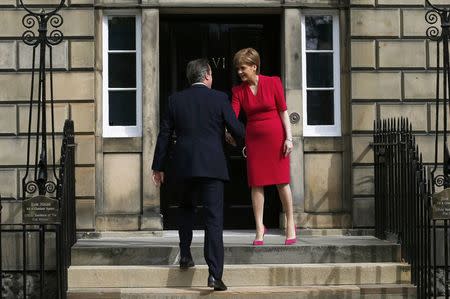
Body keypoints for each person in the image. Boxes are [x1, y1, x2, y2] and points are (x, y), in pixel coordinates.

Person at [152, 58, 245, 291]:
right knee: (213, 219)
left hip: (183, 166)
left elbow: (164, 135)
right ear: (207, 75)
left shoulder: (175, 100)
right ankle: (214, 275)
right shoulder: (220, 98)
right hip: (213, 166)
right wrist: (238, 137)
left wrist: (158, 167)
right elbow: (236, 129)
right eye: (211, 75)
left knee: (185, 210)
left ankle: (185, 255)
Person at [230, 48, 296, 246]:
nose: (239, 72)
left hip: (277, 139)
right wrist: (229, 132)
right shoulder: (238, 91)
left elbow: (284, 112)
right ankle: (259, 227)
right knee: (256, 183)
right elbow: (232, 116)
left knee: (282, 181)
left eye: (242, 68)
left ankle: (290, 223)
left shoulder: (273, 82)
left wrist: (289, 139)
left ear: (254, 66)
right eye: (237, 69)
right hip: (254, 141)